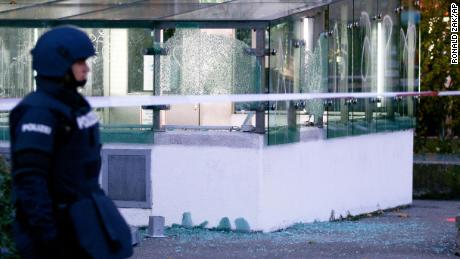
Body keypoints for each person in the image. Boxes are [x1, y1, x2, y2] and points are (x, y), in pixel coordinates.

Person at [9, 26, 133, 259]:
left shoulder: (74, 105)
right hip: (56, 230)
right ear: (59, 64)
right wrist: (49, 238)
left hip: (82, 220)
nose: (86, 68)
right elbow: (31, 181)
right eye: (80, 62)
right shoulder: (39, 112)